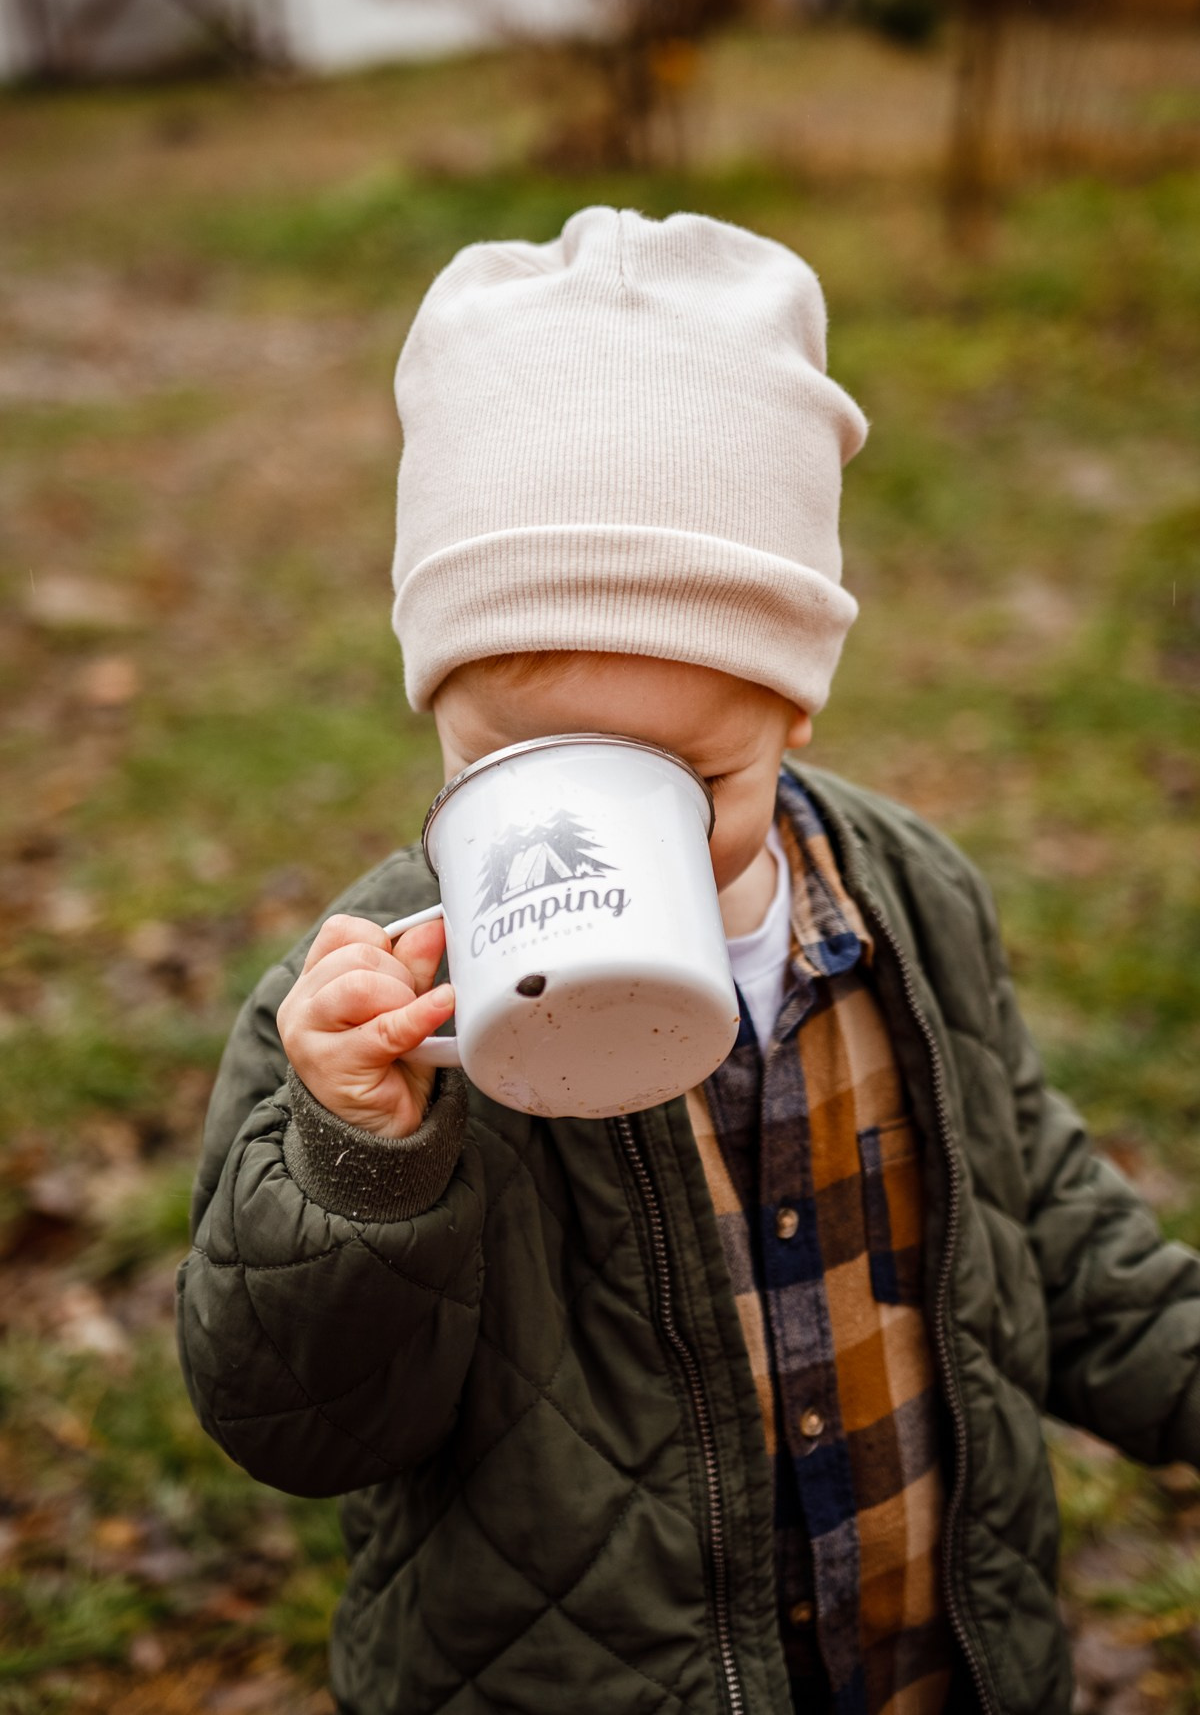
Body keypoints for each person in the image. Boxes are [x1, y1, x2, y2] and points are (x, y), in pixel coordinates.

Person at [177, 207, 1200, 1715]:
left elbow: (1035, 1212)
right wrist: (363, 1165)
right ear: (434, 712)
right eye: (526, 763)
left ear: (797, 712)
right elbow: (301, 1427)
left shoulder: (908, 901)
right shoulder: (369, 1019)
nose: (605, 835)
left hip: (927, 1660)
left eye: (688, 781)